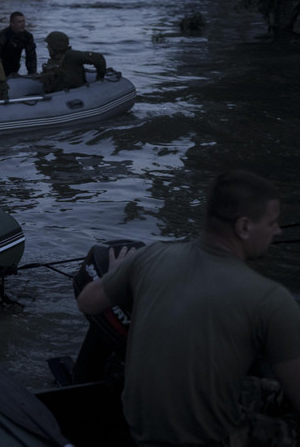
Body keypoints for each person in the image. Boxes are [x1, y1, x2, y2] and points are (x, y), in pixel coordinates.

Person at [77, 170, 300, 447]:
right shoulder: (271, 299)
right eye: (272, 222)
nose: (278, 231)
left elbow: (86, 301)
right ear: (244, 227)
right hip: (207, 440)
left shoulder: (150, 256)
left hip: (139, 429)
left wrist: (116, 275)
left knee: (255, 388)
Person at [40, 31, 107, 93]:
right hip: (58, 94)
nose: (47, 47)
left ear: (56, 46)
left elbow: (99, 58)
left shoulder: (72, 56)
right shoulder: (53, 60)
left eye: (49, 45)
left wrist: (99, 79)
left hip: (75, 92)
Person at [0, 11, 37, 76]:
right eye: (19, 22)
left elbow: (31, 57)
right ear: (12, 24)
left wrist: (32, 73)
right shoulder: (3, 35)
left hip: (15, 67)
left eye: (23, 21)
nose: (23, 24)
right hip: (1, 67)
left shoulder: (27, 36)